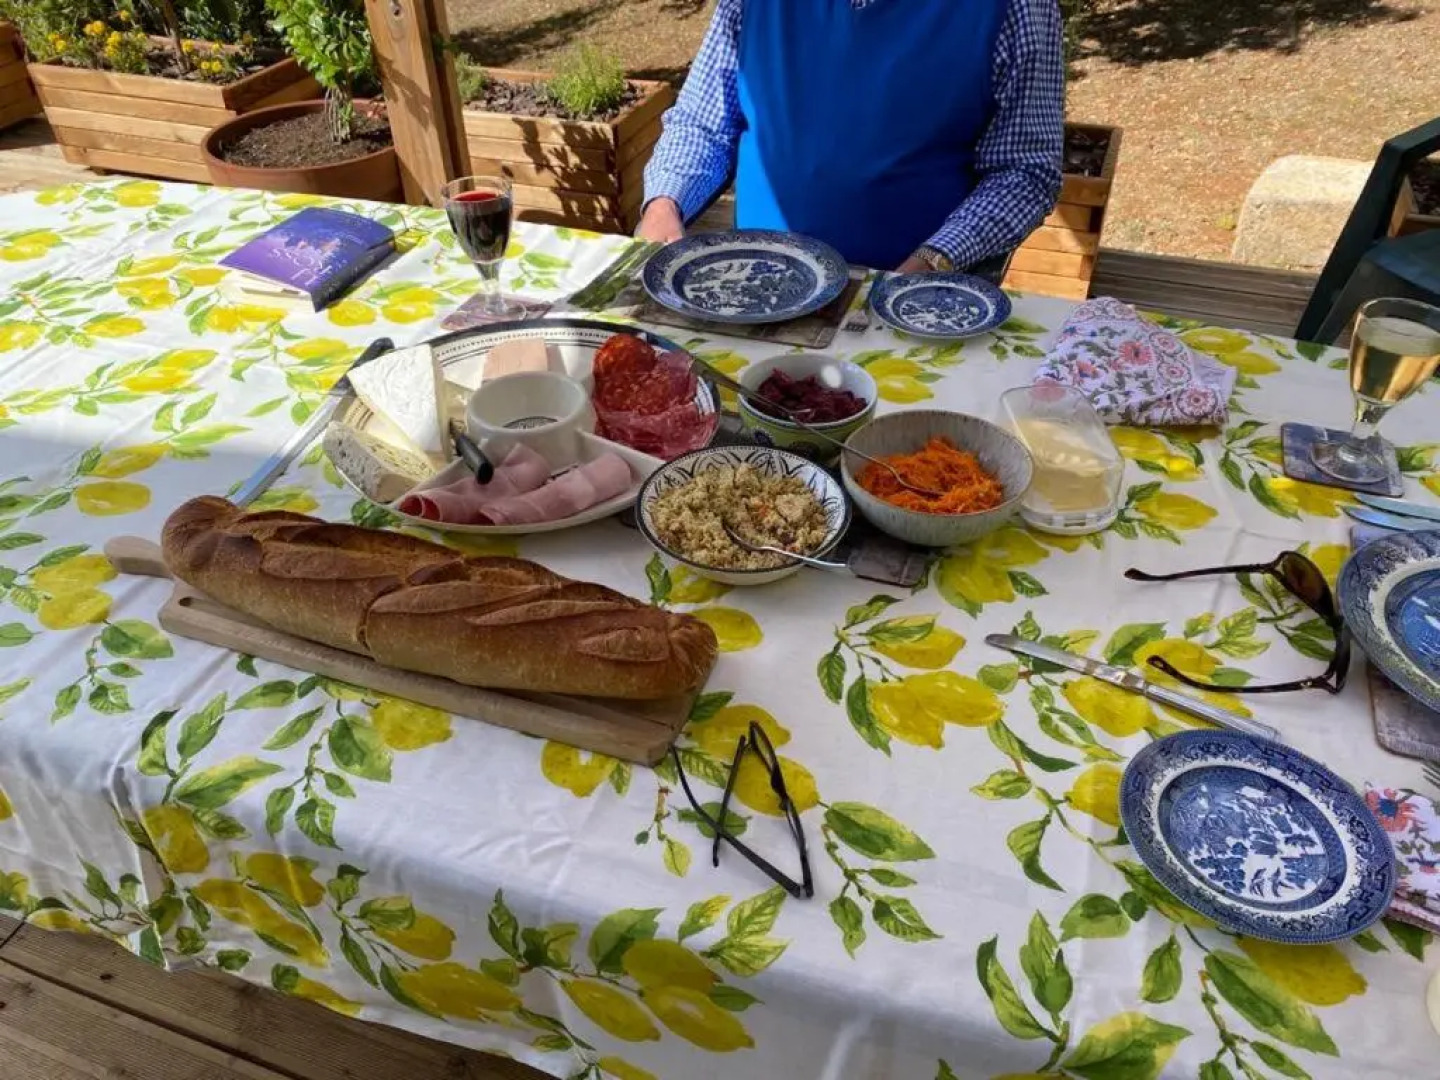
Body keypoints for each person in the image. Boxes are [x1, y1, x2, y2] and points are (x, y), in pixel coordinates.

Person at [639, 0, 1066, 278]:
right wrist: (665, 203)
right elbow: (703, 122)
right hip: (755, 283)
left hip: (915, 298)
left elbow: (1025, 170)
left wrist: (935, 259)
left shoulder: (1017, 8)